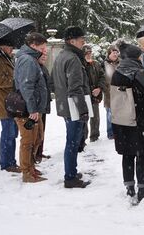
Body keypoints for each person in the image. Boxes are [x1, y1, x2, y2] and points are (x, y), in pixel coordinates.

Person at [111, 41, 144, 202]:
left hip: (121, 119)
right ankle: (142, 188)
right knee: (141, 153)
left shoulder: (117, 72)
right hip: (139, 119)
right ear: (136, 57)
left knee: (127, 154)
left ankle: (129, 187)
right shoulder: (138, 72)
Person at [52, 26, 91, 189]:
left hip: (66, 105)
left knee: (72, 142)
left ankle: (72, 172)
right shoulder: (73, 58)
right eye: (81, 39)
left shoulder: (62, 55)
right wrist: (82, 110)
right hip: (73, 107)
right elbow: (75, 88)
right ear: (71, 41)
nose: (84, 42)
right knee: (72, 143)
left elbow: (54, 83)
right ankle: (70, 177)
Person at [13, 32, 49, 183]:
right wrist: (33, 110)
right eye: (43, 47)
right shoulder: (28, 60)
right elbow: (26, 86)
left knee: (37, 138)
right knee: (28, 141)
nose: (45, 50)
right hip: (28, 110)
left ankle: (31, 167)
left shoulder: (32, 59)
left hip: (34, 109)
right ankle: (27, 172)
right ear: (33, 45)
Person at [0, 37, 20, 173]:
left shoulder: (6, 59)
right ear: (2, 47)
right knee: (8, 134)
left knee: (12, 133)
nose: (12, 49)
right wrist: (16, 80)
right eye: (10, 47)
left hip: (10, 103)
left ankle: (10, 161)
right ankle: (6, 163)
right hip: (3, 103)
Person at [83, 45, 106, 143]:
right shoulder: (79, 64)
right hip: (83, 95)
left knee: (95, 117)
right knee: (84, 118)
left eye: (90, 52)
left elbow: (102, 77)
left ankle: (95, 136)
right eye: (86, 53)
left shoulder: (96, 64)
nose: (89, 55)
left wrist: (99, 88)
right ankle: (82, 138)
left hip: (95, 95)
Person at [35, 52, 52, 162]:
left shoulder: (43, 67)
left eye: (46, 55)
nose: (45, 57)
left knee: (42, 130)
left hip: (44, 103)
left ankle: (39, 152)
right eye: (42, 56)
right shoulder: (36, 68)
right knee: (37, 131)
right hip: (39, 104)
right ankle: (36, 154)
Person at [103, 45, 120, 140]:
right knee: (109, 113)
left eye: (116, 52)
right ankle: (110, 132)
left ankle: (118, 131)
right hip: (108, 92)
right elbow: (101, 77)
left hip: (119, 92)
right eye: (113, 52)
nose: (115, 54)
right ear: (109, 54)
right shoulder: (104, 64)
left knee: (119, 113)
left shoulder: (120, 63)